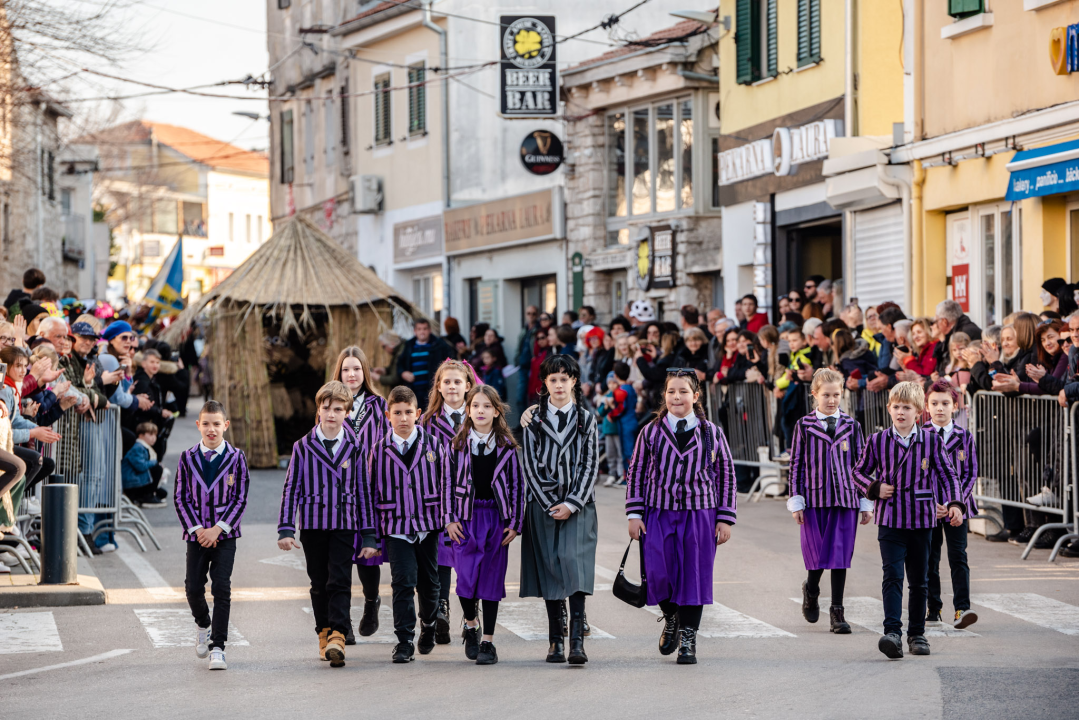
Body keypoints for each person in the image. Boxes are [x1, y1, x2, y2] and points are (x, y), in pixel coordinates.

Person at [625, 369, 736, 664]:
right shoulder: (650, 431)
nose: (677, 397)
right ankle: (671, 617)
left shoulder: (711, 432)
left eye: (683, 391)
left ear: (695, 396)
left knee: (694, 577)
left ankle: (688, 638)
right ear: (664, 396)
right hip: (658, 511)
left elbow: (726, 474)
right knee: (659, 573)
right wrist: (634, 513)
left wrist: (724, 517)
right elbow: (635, 472)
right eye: (671, 391)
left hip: (700, 513)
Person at [853, 382, 965, 659]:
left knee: (919, 580)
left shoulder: (930, 440)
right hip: (890, 519)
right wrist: (874, 487)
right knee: (892, 576)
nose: (900, 412)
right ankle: (892, 632)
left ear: (918, 412)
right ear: (889, 408)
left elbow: (949, 475)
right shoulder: (877, 441)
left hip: (922, 520)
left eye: (906, 408)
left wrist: (954, 504)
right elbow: (857, 472)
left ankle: (917, 633)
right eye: (896, 407)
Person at [278, 382, 377, 668]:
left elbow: (363, 491)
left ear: (347, 412)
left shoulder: (356, 447)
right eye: (326, 408)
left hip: (345, 524)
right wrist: (286, 529)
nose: (331, 414)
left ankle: (338, 635)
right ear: (318, 410)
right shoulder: (303, 446)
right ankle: (323, 632)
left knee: (340, 580)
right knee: (319, 583)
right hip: (312, 525)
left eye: (338, 409)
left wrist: (369, 535)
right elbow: (291, 488)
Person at [520, 354, 598, 665]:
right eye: (553, 379)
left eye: (564, 379)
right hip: (544, 505)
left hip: (579, 505)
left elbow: (590, 464)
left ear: (574, 382)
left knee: (574, 566)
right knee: (551, 568)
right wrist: (550, 502)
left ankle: (577, 641)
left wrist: (572, 502)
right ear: (545, 383)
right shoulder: (533, 420)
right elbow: (530, 466)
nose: (559, 385)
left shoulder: (586, 419)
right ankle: (555, 640)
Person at [366, 385, 450, 663]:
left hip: (428, 524)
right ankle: (404, 640)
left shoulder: (435, 446)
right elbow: (370, 493)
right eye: (397, 413)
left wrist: (448, 518)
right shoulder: (378, 451)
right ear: (388, 415)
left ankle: (428, 624)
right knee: (402, 583)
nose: (403, 418)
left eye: (408, 413)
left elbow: (446, 484)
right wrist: (373, 537)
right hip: (395, 525)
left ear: (417, 413)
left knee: (430, 585)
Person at [788, 369, 872, 634]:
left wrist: (865, 501)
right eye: (826, 395)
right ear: (814, 395)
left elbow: (862, 465)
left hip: (845, 499)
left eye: (837, 395)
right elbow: (796, 465)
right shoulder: (803, 425)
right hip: (814, 499)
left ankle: (837, 611)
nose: (832, 400)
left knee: (839, 556)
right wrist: (797, 500)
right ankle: (811, 589)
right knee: (817, 557)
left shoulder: (853, 426)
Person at [445, 385, 524, 665]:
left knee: (491, 581)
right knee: (465, 579)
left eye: (487, 406)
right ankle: (471, 624)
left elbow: (517, 486)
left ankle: (488, 642)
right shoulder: (457, 446)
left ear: (496, 411)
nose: (481, 410)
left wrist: (515, 523)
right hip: (466, 518)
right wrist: (450, 518)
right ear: (467, 410)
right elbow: (447, 484)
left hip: (496, 519)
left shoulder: (507, 447)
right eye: (476, 405)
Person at [173, 401, 251, 671]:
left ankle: (218, 647)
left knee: (221, 587)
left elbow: (240, 498)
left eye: (217, 424)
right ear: (198, 425)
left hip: (225, 535)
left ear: (225, 426)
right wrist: (199, 530)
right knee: (193, 587)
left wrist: (219, 528)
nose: (211, 429)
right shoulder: (187, 457)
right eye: (206, 423)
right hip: (196, 535)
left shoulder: (237, 457)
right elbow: (181, 498)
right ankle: (203, 623)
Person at [332, 346, 389, 642]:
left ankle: (371, 602)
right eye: (345, 369)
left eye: (356, 368)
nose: (351, 374)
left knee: (368, 556)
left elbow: (389, 443)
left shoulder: (379, 405)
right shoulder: (330, 404)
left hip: (370, 490)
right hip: (339, 493)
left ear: (364, 372)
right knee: (340, 559)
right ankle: (344, 624)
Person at [419, 359, 475, 644]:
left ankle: (471, 618)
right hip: (437, 499)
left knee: (468, 559)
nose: (452, 386)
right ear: (438, 387)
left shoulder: (479, 415)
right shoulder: (426, 423)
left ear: (467, 386)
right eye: (447, 382)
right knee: (439, 556)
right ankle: (441, 609)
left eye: (457, 381)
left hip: (471, 500)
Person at [923, 380, 979, 631]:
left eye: (945, 403)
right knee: (929, 558)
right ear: (926, 406)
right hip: (930, 508)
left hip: (958, 508)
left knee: (958, 556)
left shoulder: (964, 436)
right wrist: (932, 502)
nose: (940, 409)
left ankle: (962, 608)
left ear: (955, 406)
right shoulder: (921, 434)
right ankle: (933, 608)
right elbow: (918, 475)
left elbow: (970, 473)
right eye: (934, 403)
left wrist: (957, 504)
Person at [396, 318, 454, 410]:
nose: (422, 332)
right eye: (419, 329)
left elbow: (449, 362)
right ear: (415, 331)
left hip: (433, 390)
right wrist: (403, 373)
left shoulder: (439, 345)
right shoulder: (409, 345)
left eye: (425, 329)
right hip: (413, 390)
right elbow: (399, 364)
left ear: (429, 330)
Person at [122, 422, 166, 506]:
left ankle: (147, 494)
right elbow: (141, 466)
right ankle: (145, 497)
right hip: (132, 483)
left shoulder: (144, 447)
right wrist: (155, 462)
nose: (154, 438)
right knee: (157, 469)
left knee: (163, 493)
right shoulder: (138, 447)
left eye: (155, 435)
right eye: (150, 434)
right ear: (141, 435)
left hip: (137, 479)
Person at [932, 300, 982, 373]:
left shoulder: (965, 333)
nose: (936, 325)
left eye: (936, 321)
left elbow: (960, 366)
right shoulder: (957, 331)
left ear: (944, 321)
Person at [598, 371, 629, 487]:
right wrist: (606, 406)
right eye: (609, 383)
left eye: (613, 383)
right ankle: (612, 474)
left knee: (619, 453)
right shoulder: (606, 396)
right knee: (610, 452)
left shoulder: (620, 394)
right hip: (608, 429)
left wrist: (612, 406)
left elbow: (621, 409)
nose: (611, 385)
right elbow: (600, 412)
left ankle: (621, 474)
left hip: (617, 428)